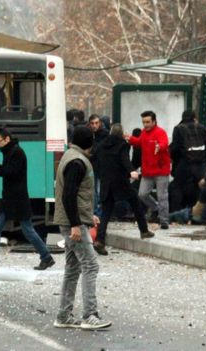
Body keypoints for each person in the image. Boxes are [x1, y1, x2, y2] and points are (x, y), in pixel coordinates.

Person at [53, 126, 111, 330]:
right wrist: (76, 224)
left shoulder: (70, 156)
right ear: (90, 142)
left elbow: (76, 195)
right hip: (72, 224)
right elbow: (69, 195)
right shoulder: (78, 162)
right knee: (90, 265)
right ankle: (90, 315)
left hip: (70, 220)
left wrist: (87, 215)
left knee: (72, 268)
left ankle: (64, 315)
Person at [0, 128, 55, 270]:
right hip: (10, 199)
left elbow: (11, 172)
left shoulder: (16, 152)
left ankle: (46, 257)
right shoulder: (11, 151)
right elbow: (8, 170)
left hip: (17, 199)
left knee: (27, 230)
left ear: (7, 139)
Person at [94, 123, 153, 255]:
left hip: (106, 182)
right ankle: (144, 230)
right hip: (120, 181)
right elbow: (124, 160)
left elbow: (95, 161)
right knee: (136, 203)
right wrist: (132, 171)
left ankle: (99, 240)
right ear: (121, 133)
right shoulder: (123, 145)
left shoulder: (102, 145)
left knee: (106, 213)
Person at [128, 111, 171, 229]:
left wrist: (159, 147)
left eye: (147, 122)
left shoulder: (160, 132)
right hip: (147, 170)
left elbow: (164, 143)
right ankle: (156, 208)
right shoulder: (143, 133)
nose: (145, 125)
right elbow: (138, 143)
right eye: (143, 122)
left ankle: (164, 221)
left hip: (161, 170)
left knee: (162, 196)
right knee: (142, 194)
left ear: (154, 122)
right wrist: (129, 138)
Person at [169, 110, 206, 215]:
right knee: (196, 190)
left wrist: (176, 162)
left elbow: (175, 148)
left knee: (178, 189)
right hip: (200, 166)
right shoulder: (202, 128)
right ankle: (195, 214)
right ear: (194, 117)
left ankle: (177, 214)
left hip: (183, 165)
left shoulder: (178, 129)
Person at [89, 114, 109, 217]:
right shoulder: (90, 134)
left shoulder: (104, 134)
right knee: (94, 190)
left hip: (101, 165)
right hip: (93, 165)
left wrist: (91, 152)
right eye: (92, 123)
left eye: (96, 123)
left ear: (100, 123)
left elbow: (98, 148)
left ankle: (98, 213)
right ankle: (96, 212)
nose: (94, 125)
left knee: (98, 190)